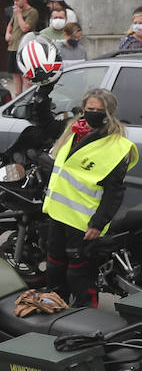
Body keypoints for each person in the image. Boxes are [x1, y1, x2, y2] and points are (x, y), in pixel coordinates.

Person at [42, 88, 139, 307]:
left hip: (83, 222)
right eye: (89, 109)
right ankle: (55, 309)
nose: (93, 113)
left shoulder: (115, 146)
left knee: (79, 275)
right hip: (58, 213)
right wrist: (43, 93)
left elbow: (114, 192)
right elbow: (46, 126)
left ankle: (86, 318)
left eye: (98, 110)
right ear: (83, 109)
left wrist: (97, 224)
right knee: (55, 266)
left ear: (109, 113)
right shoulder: (73, 132)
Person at [6, 0, 39, 95]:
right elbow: (10, 24)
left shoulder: (32, 12)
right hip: (13, 46)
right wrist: (7, 33)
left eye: (17, 0)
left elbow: (25, 28)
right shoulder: (16, 12)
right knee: (15, 73)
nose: (15, 3)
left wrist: (19, 15)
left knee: (25, 74)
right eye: (14, 1)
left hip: (25, 48)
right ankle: (18, 95)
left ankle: (28, 96)